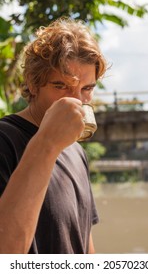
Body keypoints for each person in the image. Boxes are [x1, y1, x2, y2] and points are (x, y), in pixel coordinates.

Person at [0, 17, 107, 254]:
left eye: (87, 88)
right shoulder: (5, 140)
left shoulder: (76, 150)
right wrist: (47, 142)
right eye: (61, 86)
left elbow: (84, 240)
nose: (77, 101)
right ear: (33, 83)